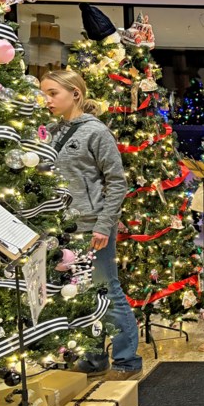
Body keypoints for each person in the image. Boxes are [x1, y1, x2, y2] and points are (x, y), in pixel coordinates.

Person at [40, 69, 142, 381]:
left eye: (52, 93)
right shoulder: (51, 131)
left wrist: (103, 225)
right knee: (80, 294)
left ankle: (127, 359)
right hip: (62, 228)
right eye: (43, 93)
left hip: (93, 226)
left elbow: (117, 183)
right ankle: (93, 359)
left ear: (76, 94)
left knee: (106, 289)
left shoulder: (96, 132)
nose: (46, 100)